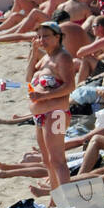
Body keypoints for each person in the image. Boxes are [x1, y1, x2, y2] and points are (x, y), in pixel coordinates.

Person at [28, 22, 77, 190]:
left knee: (57, 159)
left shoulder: (63, 57)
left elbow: (70, 86)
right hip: (41, 114)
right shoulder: (45, 58)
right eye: (40, 36)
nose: (42, 40)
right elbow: (28, 77)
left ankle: (67, 200)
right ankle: (55, 200)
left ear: (58, 37)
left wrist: (44, 95)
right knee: (47, 160)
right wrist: (33, 53)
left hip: (56, 113)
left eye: (46, 36)